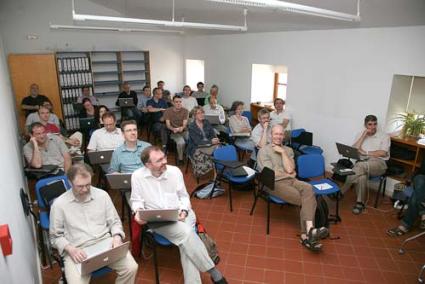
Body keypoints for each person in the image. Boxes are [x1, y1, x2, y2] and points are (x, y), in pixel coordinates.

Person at [131, 146, 227, 284]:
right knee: (187, 234)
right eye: (159, 160)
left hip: (182, 213)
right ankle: (214, 273)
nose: (165, 161)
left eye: (164, 157)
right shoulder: (137, 176)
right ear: (148, 165)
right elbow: (136, 200)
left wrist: (184, 210)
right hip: (159, 220)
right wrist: (138, 213)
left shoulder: (174, 172)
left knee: (185, 243)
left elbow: (183, 197)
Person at [49, 163, 138, 284]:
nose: (85, 189)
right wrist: (70, 249)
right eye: (80, 186)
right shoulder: (59, 204)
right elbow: (55, 237)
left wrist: (117, 237)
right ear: (70, 182)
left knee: (131, 268)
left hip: (105, 244)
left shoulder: (102, 195)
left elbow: (115, 222)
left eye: (88, 185)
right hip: (77, 249)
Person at [257, 124, 328, 251]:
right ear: (270, 135)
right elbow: (270, 174)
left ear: (284, 136)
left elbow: (290, 169)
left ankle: (308, 232)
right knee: (307, 200)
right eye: (276, 134)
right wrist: (288, 173)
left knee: (309, 188)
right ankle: (306, 235)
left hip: (292, 180)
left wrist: (283, 152)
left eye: (281, 134)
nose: (278, 136)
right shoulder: (264, 151)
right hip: (273, 184)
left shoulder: (288, 150)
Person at [341, 115, 390, 215]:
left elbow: (383, 153)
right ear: (365, 125)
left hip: (378, 163)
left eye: (375, 124)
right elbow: (353, 150)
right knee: (361, 175)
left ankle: (341, 191)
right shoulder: (361, 134)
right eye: (370, 124)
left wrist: (366, 152)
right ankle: (360, 203)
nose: (373, 127)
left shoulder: (384, 136)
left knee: (360, 166)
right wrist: (363, 136)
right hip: (362, 163)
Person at [187, 106, 220, 178]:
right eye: (198, 113)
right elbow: (197, 142)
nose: (201, 114)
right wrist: (211, 141)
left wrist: (215, 139)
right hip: (196, 147)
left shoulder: (206, 122)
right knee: (208, 156)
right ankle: (215, 172)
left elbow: (213, 134)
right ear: (195, 116)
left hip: (209, 145)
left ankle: (216, 174)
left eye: (202, 112)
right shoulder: (191, 126)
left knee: (221, 151)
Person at [163, 95, 189, 165]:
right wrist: (173, 129)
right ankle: (180, 159)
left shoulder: (185, 111)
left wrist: (182, 128)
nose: (178, 103)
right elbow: (168, 125)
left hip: (184, 130)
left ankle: (189, 155)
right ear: (173, 102)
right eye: (176, 102)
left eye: (180, 102)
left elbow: (184, 124)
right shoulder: (168, 111)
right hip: (173, 132)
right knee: (181, 142)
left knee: (191, 139)